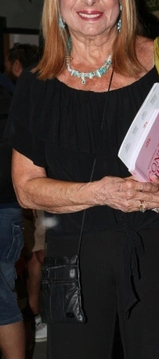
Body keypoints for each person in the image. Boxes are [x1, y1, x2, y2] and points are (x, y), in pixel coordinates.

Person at [5, 0, 159, 359]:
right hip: (73, 264)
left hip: (158, 253)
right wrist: (101, 192)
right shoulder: (36, 84)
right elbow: (26, 188)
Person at [4, 44, 48, 345]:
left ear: (17, 65)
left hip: (40, 193)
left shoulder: (23, 95)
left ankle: (39, 315)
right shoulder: (43, 91)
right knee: (36, 256)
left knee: (40, 256)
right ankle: (37, 315)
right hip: (33, 195)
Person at [0, 46, 34, 359]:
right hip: (10, 206)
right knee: (4, 294)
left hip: (5, 207)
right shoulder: (17, 97)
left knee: (3, 298)